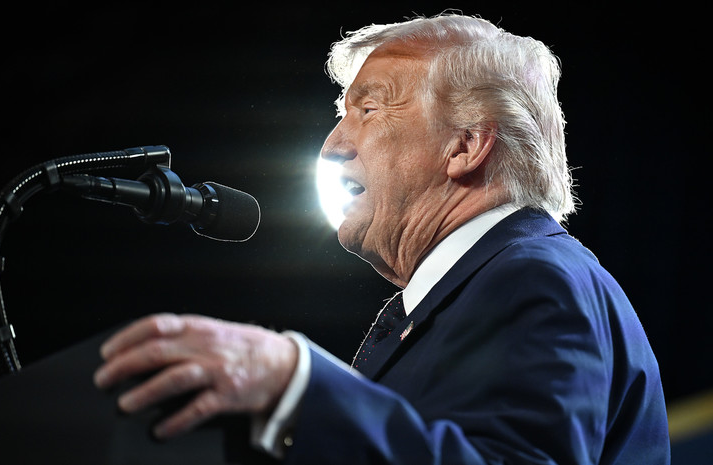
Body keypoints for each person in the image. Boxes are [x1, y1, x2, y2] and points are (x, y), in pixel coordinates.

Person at [93, 13, 671, 464]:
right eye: (342, 114)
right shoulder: (467, 296)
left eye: (368, 109)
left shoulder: (534, 278)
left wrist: (293, 383)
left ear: (466, 146)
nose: (332, 145)